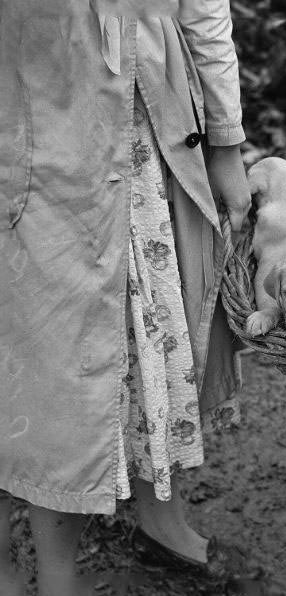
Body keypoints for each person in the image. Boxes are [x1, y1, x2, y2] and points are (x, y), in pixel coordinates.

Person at [0, 1, 252, 594]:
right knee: (43, 359)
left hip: (147, 123)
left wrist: (225, 142)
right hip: (30, 110)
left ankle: (155, 518)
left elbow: (202, 9)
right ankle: (15, 569)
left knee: (135, 335)